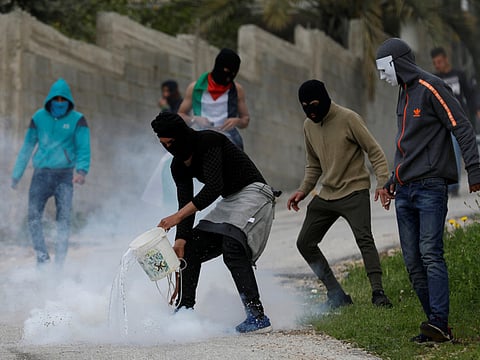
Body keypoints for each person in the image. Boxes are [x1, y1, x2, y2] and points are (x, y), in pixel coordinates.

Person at [376, 38, 480, 343]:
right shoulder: (403, 93)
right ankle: (435, 328)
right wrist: (391, 181)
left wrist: (474, 169)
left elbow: (461, 126)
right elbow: (405, 144)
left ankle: (439, 321)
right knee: (412, 262)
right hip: (405, 190)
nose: (383, 77)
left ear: (398, 63)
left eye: (385, 70)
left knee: (431, 254)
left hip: (431, 187)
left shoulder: (431, 86)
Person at [152, 111, 278, 334]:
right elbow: (186, 203)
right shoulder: (178, 166)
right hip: (230, 201)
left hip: (254, 193)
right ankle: (184, 311)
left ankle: (257, 316)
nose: (169, 148)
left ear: (181, 136)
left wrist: (177, 217)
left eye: (171, 142)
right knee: (190, 246)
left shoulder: (208, 141)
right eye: (163, 144)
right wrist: (180, 240)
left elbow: (213, 188)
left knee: (232, 244)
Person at [287, 80, 393, 309]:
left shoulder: (348, 118)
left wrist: (382, 183)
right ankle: (336, 294)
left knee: (364, 239)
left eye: (314, 104)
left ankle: (378, 293)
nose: (310, 110)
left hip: (355, 190)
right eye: (304, 105)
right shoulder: (308, 125)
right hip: (327, 193)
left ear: (324, 98)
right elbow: (313, 164)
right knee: (305, 242)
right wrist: (302, 191)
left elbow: (374, 151)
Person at [11, 78, 91, 267]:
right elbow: (27, 147)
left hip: (64, 176)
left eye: (63, 100)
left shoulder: (78, 120)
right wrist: (16, 174)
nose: (60, 103)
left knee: (63, 220)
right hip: (40, 175)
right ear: (50, 100)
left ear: (69, 101)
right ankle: (42, 258)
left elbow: (83, 148)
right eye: (56, 99)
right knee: (33, 217)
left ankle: (59, 264)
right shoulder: (38, 118)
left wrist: (81, 171)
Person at [430, 47, 480, 195]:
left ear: (446, 59)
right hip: (442, 123)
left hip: (458, 121)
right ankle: (451, 185)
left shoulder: (459, 75)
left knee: (458, 151)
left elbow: (470, 95)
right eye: (434, 63)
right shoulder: (434, 79)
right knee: (448, 153)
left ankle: (454, 185)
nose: (437, 65)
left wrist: (476, 110)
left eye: (439, 61)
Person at [178, 48, 249, 150]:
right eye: (226, 72)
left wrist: (237, 121)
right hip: (200, 135)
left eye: (232, 74)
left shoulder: (237, 90)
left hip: (228, 139)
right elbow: (180, 115)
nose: (228, 78)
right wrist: (194, 119)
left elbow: (245, 119)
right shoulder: (194, 88)